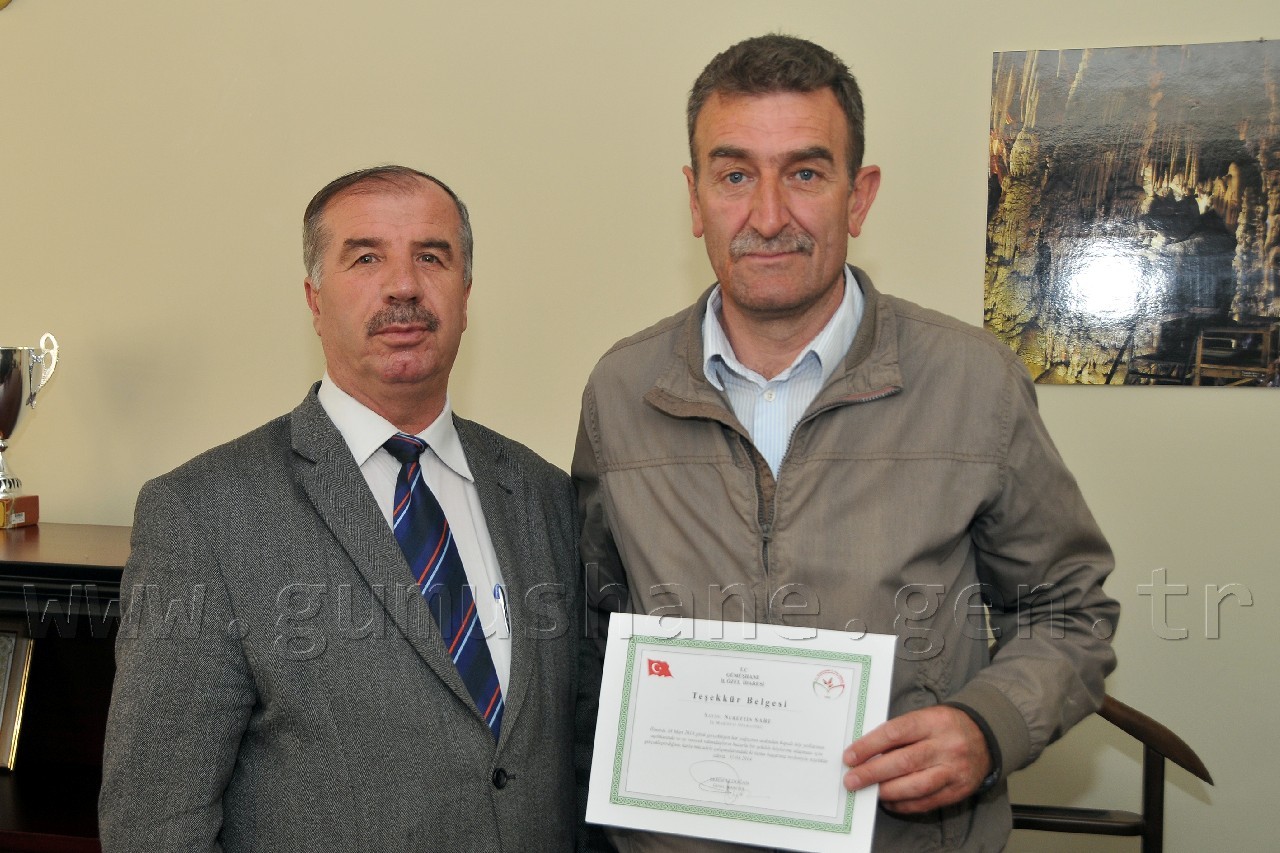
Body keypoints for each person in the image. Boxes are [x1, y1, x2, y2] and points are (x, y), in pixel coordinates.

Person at [573, 35, 1119, 852]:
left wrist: (988, 725)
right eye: (734, 176)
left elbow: (1069, 608)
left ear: (857, 198)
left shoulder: (974, 383)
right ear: (695, 199)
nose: (768, 216)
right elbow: (592, 627)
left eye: (804, 173)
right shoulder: (621, 390)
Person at [100, 166, 589, 852]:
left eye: (431, 256)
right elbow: (154, 823)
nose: (403, 286)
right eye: (365, 258)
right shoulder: (201, 514)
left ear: (466, 292)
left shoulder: (545, 495)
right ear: (314, 297)